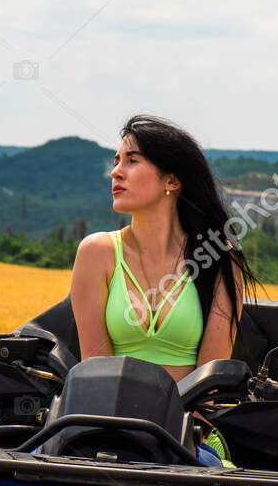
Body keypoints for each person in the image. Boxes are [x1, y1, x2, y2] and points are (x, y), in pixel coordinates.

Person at [69, 114, 255, 466]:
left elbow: (208, 387)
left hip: (190, 433)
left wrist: (168, 442)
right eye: (116, 162)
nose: (116, 172)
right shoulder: (96, 253)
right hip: (104, 429)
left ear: (172, 179)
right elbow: (95, 367)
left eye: (132, 161)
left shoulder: (220, 260)